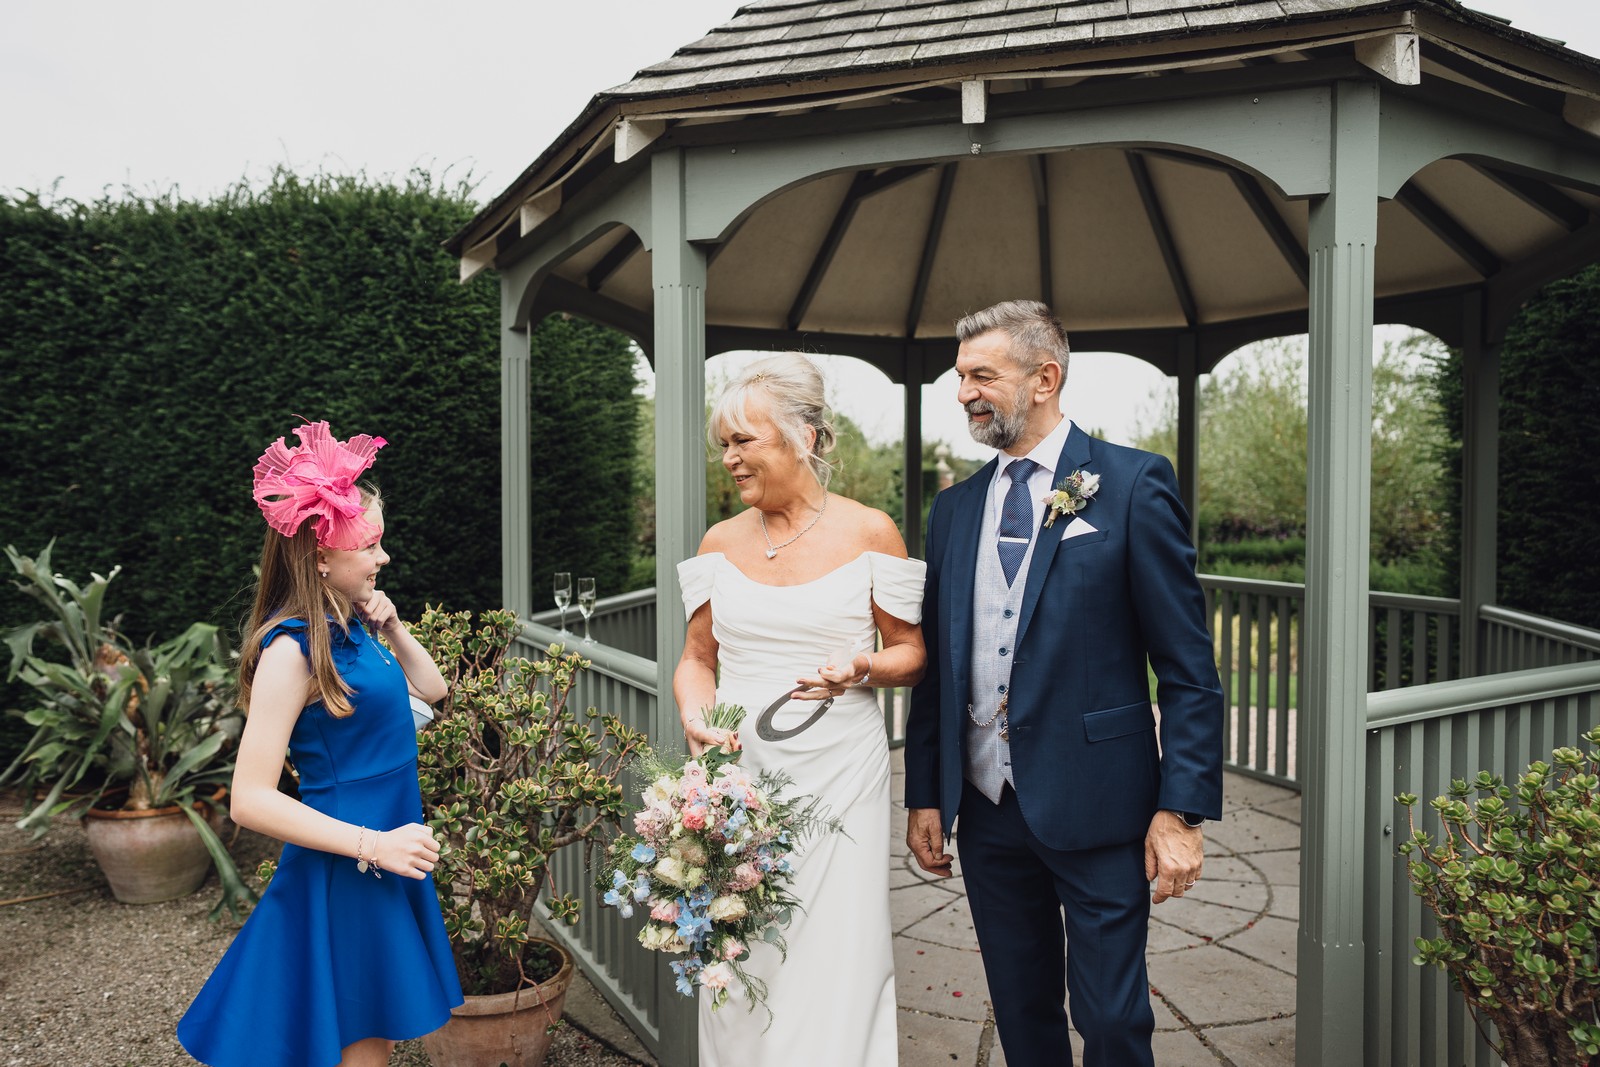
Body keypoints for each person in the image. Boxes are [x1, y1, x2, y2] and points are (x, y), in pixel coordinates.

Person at [904, 301, 1224, 1067]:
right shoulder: (953, 509)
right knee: (1023, 1013)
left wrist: (1181, 809)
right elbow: (939, 666)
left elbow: (1188, 668)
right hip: (988, 809)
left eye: (982, 375)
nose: (964, 392)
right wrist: (924, 792)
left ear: (1044, 378)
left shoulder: (1133, 483)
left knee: (1112, 1021)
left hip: (1101, 803)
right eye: (959, 377)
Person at [178, 421, 462, 1067]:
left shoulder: (353, 626)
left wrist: (395, 627)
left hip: (384, 851)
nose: (383, 558)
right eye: (370, 545)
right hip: (351, 861)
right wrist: (376, 845)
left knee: (372, 1036)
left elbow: (435, 691)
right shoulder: (292, 650)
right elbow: (249, 799)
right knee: (360, 1043)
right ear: (320, 559)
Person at [674, 353, 927, 1066]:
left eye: (743, 440)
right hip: (740, 777)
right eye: (724, 443)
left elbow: (912, 653)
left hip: (841, 774)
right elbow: (697, 659)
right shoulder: (720, 543)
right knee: (743, 942)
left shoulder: (871, 532)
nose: (729, 457)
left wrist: (862, 666)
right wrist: (697, 717)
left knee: (836, 946)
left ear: (805, 438)